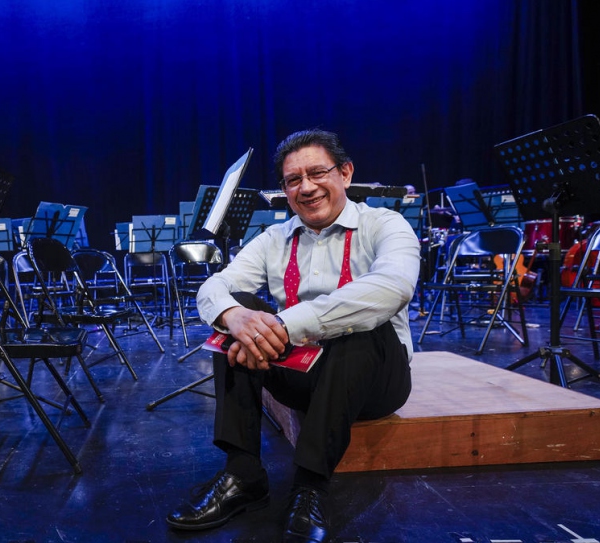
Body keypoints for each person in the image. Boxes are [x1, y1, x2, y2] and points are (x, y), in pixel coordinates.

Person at [165, 128, 419, 542]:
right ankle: (243, 475)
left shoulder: (385, 224)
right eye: (293, 180)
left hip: (376, 377)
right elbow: (214, 287)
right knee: (240, 312)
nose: (306, 187)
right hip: (303, 372)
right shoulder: (273, 238)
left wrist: (285, 325)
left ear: (345, 173)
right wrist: (234, 315)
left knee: (360, 324)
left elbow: (393, 288)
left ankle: (310, 486)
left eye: (317, 173)